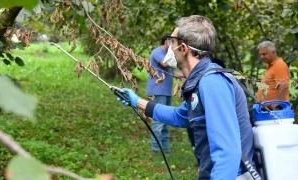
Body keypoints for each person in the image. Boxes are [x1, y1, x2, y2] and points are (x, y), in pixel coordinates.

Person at [118, 15, 255, 179]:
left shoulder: (212, 82)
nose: (169, 48)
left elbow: (228, 154)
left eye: (172, 42)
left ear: (183, 48)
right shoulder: (201, 79)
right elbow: (180, 116)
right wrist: (136, 101)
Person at [146, 34, 173, 153]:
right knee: (158, 120)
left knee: (166, 120)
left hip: (166, 92)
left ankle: (166, 149)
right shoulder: (158, 52)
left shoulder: (169, 55)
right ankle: (156, 149)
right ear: (167, 42)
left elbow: (172, 71)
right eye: (172, 42)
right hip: (158, 90)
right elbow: (165, 64)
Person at [257, 41, 290, 109]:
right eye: (260, 54)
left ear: (273, 52)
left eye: (264, 54)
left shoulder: (279, 65)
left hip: (276, 109)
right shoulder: (270, 66)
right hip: (267, 108)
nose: (262, 57)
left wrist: (276, 103)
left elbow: (284, 86)